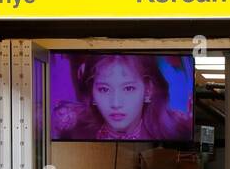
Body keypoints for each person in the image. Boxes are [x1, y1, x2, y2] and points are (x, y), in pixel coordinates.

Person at [53, 54, 191, 141]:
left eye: (128, 88)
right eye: (104, 89)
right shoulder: (74, 134)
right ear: (92, 93)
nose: (116, 103)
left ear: (148, 90)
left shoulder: (175, 132)